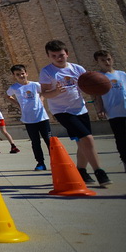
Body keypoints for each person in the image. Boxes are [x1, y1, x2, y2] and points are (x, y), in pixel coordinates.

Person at [39, 40, 109, 187]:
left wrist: (98, 105)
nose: (58, 58)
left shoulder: (77, 69)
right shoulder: (47, 72)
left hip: (80, 109)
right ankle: (100, 172)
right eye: (54, 56)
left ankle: (81, 171)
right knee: (87, 139)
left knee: (82, 142)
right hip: (62, 111)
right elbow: (45, 93)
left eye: (61, 55)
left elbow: (89, 87)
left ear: (67, 54)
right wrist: (56, 91)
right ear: (48, 56)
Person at [6, 64, 51, 171]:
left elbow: (43, 92)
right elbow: (7, 96)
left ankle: (55, 161)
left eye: (22, 73)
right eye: (18, 74)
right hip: (29, 120)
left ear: (26, 73)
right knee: (35, 142)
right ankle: (40, 163)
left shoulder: (35, 85)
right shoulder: (14, 88)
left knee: (49, 140)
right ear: (14, 76)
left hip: (42, 117)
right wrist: (18, 104)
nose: (21, 76)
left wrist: (42, 99)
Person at [93, 50, 126, 170]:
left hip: (125, 108)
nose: (107, 62)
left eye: (108, 59)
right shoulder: (98, 77)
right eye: (103, 60)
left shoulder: (122, 74)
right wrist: (100, 109)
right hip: (114, 113)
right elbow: (97, 96)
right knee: (121, 138)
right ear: (97, 62)